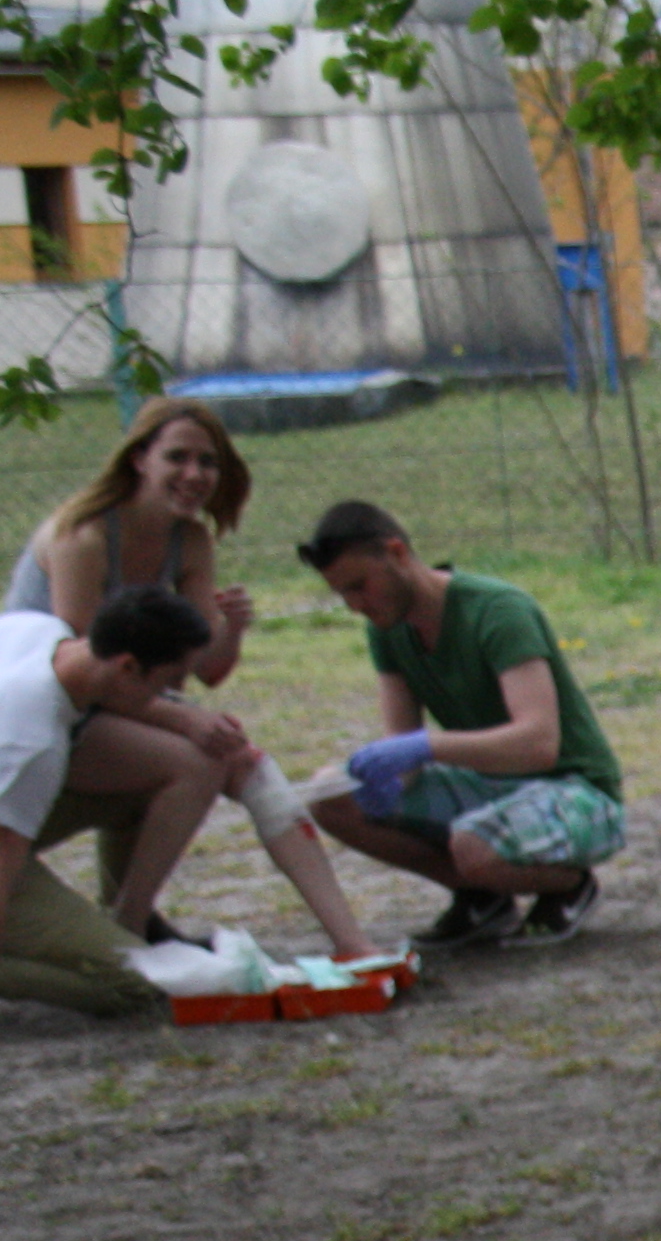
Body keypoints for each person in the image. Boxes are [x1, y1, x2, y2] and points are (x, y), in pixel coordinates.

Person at [11, 397, 388, 963]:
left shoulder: (189, 540)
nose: (194, 475)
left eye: (208, 462)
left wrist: (230, 632)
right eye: (178, 457)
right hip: (56, 712)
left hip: (126, 702)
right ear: (139, 458)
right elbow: (96, 675)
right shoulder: (83, 537)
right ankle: (130, 926)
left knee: (247, 763)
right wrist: (186, 721)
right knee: (198, 761)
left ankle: (352, 944)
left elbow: (204, 670)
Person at [295, 502, 624, 949]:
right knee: (330, 795)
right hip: (491, 786)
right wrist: (381, 779)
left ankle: (567, 886)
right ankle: (482, 894)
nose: (355, 606)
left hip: (575, 788)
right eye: (342, 594)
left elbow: (539, 744)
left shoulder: (498, 609)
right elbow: (404, 751)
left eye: (359, 586)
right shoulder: (387, 628)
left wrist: (427, 746)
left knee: (474, 845)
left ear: (397, 553)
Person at [0, 586, 217, 1018]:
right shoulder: (34, 740)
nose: (172, 695)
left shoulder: (38, 630)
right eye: (168, 681)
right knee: (138, 983)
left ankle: (124, 923)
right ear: (128, 667)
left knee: (146, 779)